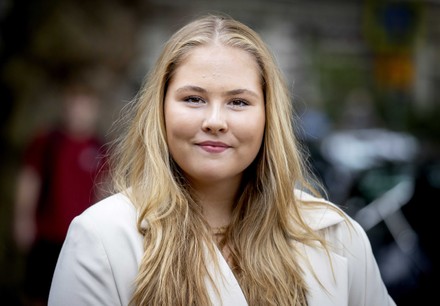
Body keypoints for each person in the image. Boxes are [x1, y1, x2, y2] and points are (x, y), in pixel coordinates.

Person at [48, 14, 396, 306]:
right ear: (161, 110)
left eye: (238, 102)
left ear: (268, 117)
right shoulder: (102, 238)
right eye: (194, 99)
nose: (215, 120)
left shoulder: (336, 237)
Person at [13, 80, 108, 306]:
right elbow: (30, 181)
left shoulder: (100, 148)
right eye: (75, 105)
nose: (80, 112)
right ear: (67, 107)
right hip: (48, 234)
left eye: (86, 106)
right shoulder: (48, 141)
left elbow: (104, 191)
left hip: (81, 240)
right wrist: (23, 219)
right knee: (37, 294)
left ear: (94, 110)